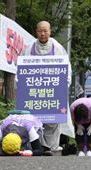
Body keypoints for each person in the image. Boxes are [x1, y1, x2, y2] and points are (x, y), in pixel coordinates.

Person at [23, 21, 72, 155]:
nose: (43, 33)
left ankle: (50, 147)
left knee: (53, 120)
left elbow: (66, 70)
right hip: (34, 93)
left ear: (50, 32)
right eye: (40, 31)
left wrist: (63, 86)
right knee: (34, 119)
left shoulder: (57, 48)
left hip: (53, 92)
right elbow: (21, 70)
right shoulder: (29, 48)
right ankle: (38, 146)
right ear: (36, 31)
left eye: (45, 31)